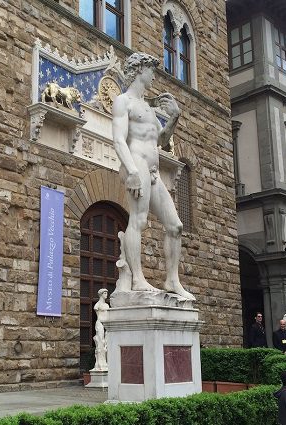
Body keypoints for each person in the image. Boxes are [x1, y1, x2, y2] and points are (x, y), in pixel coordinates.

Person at [111, 52, 193, 301]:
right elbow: (118, 139)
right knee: (138, 220)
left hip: (154, 170)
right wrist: (132, 171)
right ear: (139, 70)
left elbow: (162, 140)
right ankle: (137, 279)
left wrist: (175, 117)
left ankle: (172, 280)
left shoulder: (147, 106)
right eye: (152, 70)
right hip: (137, 163)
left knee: (175, 226)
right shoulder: (123, 101)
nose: (154, 75)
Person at [92, 288, 109, 370]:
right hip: (100, 323)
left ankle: (106, 363)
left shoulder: (107, 305)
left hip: (107, 324)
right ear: (101, 294)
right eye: (105, 293)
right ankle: (100, 364)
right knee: (100, 342)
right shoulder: (97, 305)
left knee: (107, 343)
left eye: (107, 293)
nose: (106, 294)